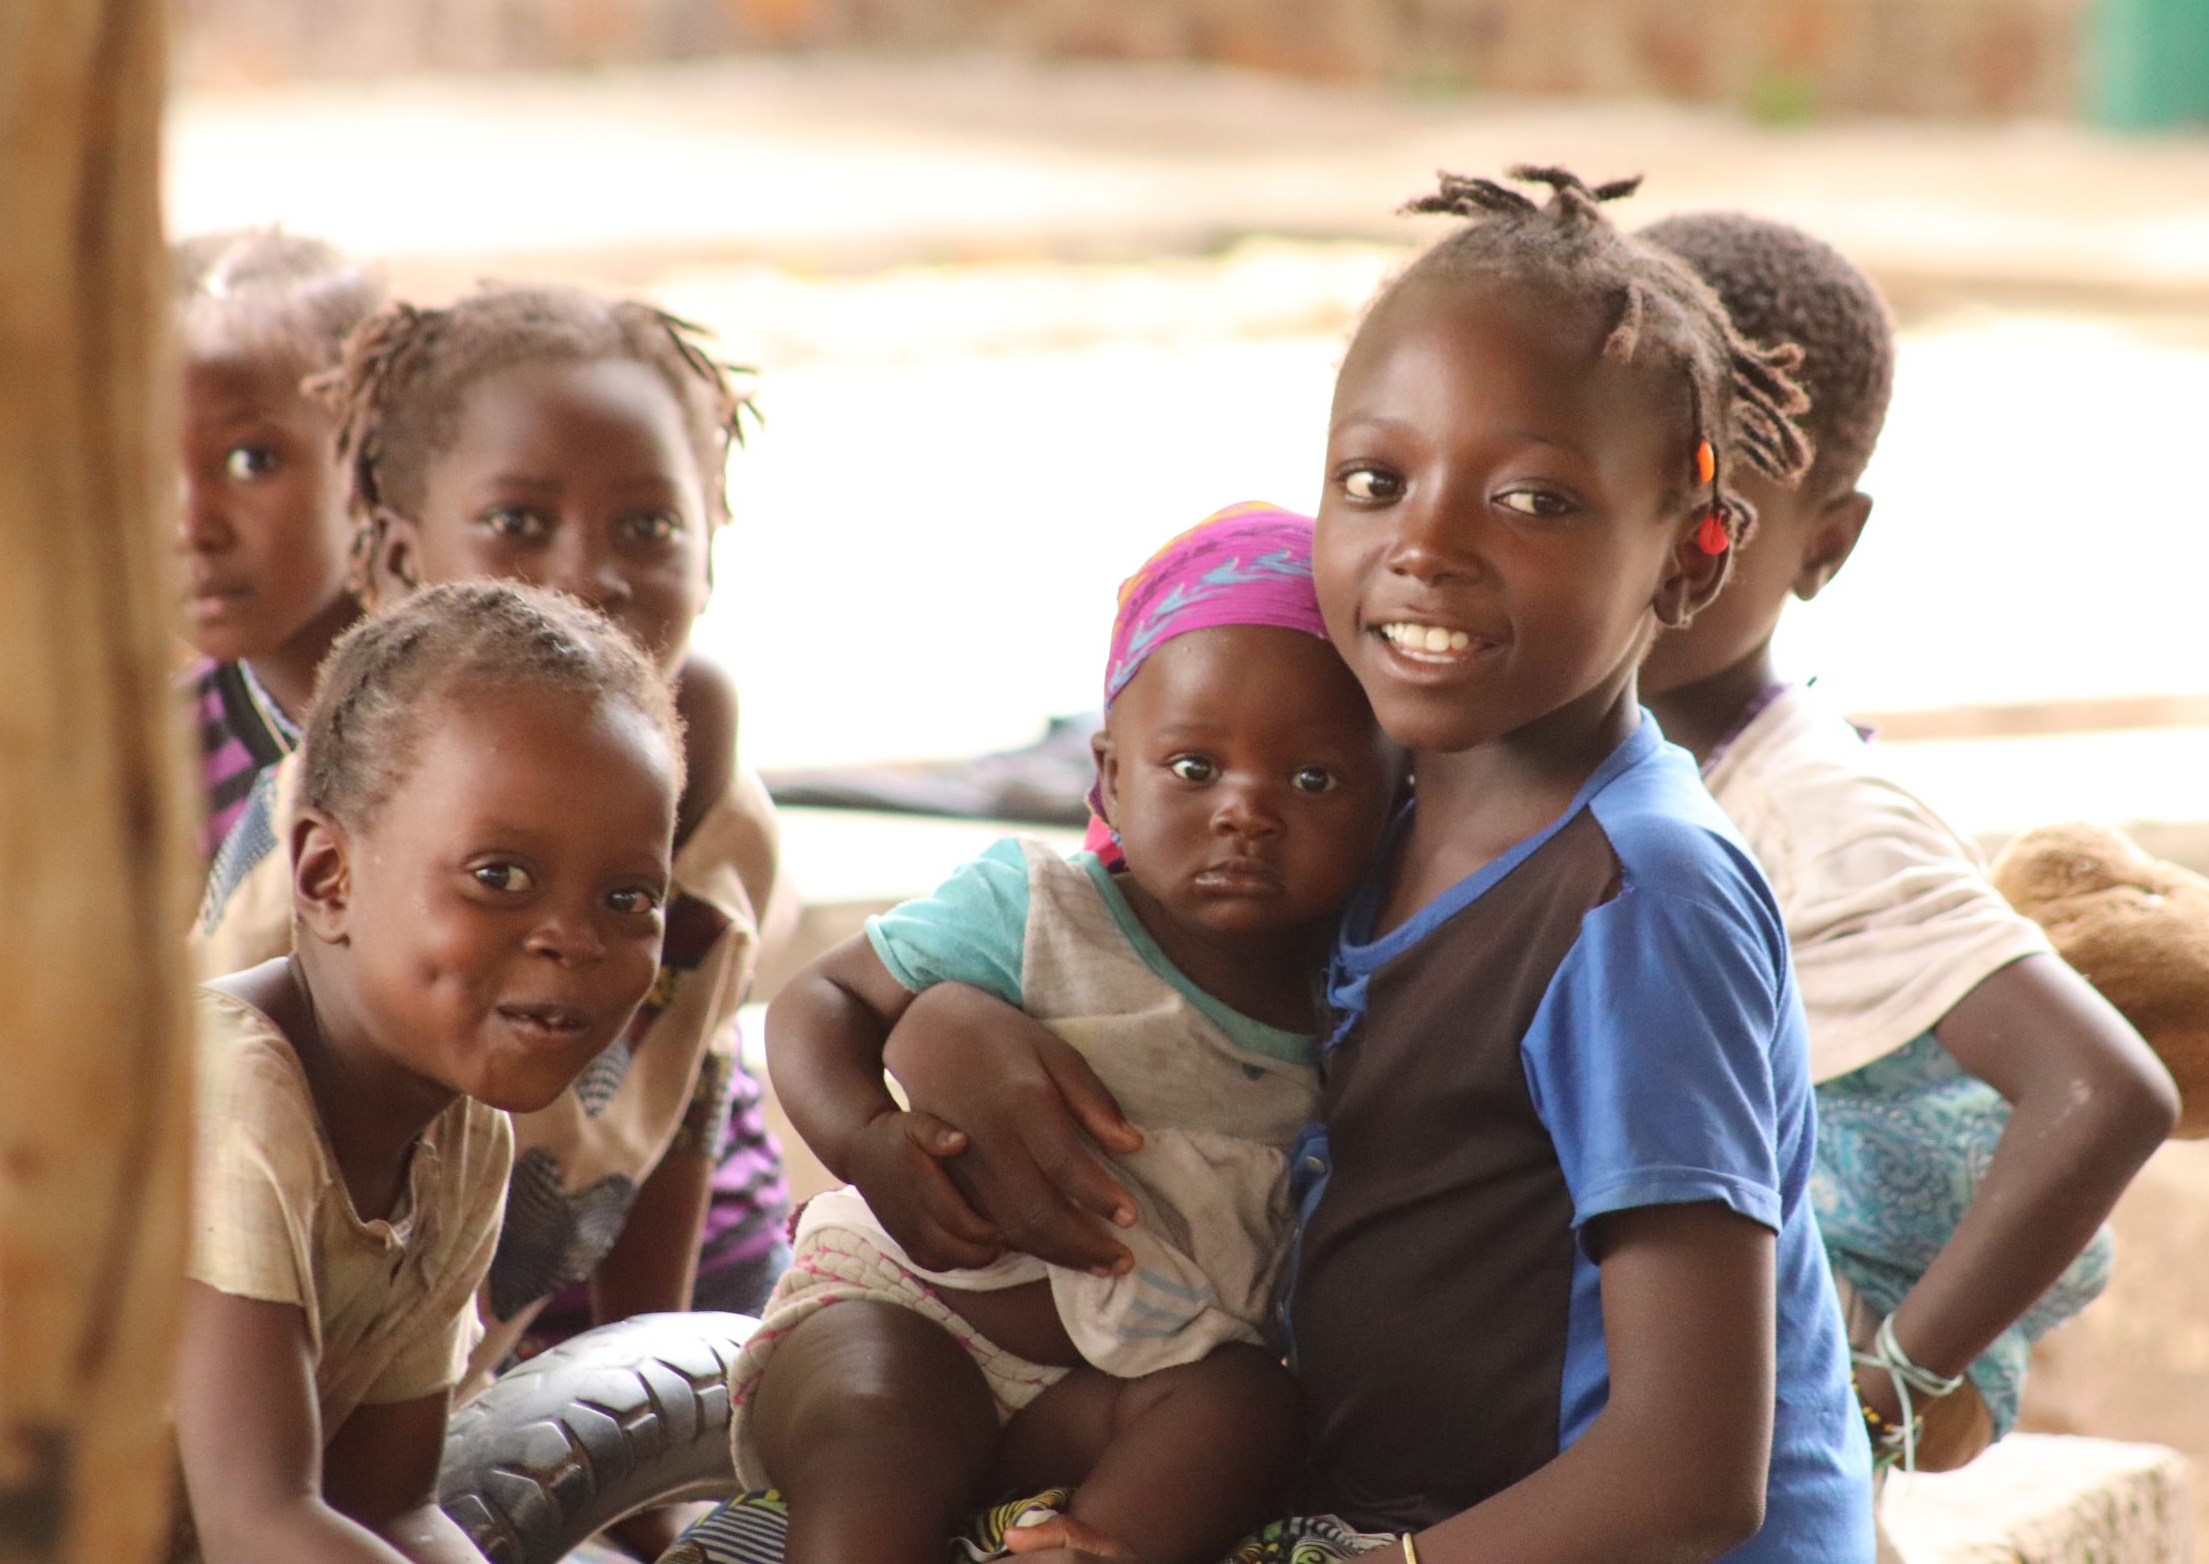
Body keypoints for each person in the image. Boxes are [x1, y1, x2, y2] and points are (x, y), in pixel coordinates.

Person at [695, 168, 1874, 1564]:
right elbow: (1115, 967)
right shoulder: (1373, 822)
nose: (1426, 546)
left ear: (1692, 555)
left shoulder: (1638, 897)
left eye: (1534, 498)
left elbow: (1686, 1476)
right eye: (1375, 481)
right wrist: (958, 1024)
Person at [736, 504, 1398, 1564]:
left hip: (1126, 1389)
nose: (1247, 811)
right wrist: (864, 1140)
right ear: (1108, 778)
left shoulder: (1357, 999)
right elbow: (823, 1002)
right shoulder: (1036, 910)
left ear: (1391, 799)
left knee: (1246, 1413)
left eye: (1313, 779)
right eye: (1194, 767)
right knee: (878, 1445)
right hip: (913, 1318)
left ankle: (1089, 1543)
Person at [1633, 211, 2179, 1472]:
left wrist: (1882, 1394)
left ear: (1825, 541)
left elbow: (2105, 1092)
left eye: (1720, 508)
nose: (1663, 545)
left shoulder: (1809, 812)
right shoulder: (1574, 749)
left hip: (1836, 1334)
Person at [190, 284, 792, 1404]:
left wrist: (650, 1414)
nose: (592, 573)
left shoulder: (718, 798)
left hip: (512, 1334)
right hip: (292, 1359)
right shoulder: (323, 848)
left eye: (650, 527)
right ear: (403, 550)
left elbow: (685, 1094)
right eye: (519, 523)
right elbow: (215, 1166)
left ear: (712, 544)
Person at [176, 580, 684, 1564]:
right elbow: (259, 1524)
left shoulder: (459, 1142)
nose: (573, 940)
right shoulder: (233, 1098)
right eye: (499, 876)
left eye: (629, 897)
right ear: (329, 877)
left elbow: (389, 1509)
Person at [171, 228, 382, 864]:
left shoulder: (488, 715)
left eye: (250, 460)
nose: (191, 525)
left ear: (373, 451)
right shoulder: (155, 771)